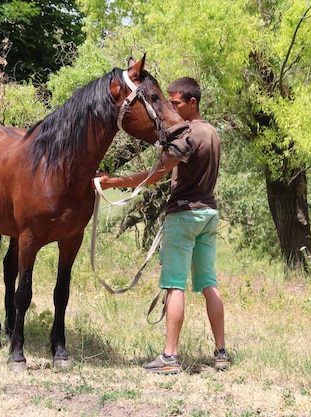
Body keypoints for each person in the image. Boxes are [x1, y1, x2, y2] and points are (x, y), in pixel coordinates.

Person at [95, 77, 229, 374]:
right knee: (209, 284)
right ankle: (221, 354)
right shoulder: (212, 132)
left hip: (183, 216)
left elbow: (155, 174)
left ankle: (170, 357)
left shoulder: (187, 136)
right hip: (208, 213)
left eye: (177, 103)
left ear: (193, 102)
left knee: (174, 285)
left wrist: (112, 181)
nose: (172, 108)